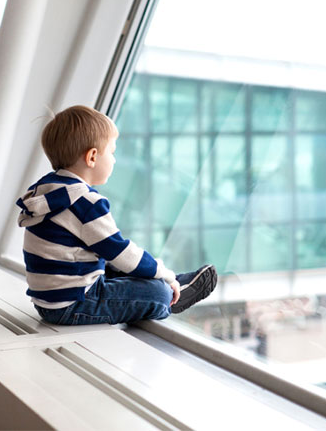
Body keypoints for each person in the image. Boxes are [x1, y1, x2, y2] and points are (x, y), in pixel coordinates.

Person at [16, 105, 217, 325]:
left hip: (48, 301)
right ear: (92, 157)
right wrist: (163, 274)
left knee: (111, 265)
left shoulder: (49, 191)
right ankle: (171, 294)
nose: (114, 160)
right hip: (74, 304)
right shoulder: (84, 202)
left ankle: (169, 280)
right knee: (156, 293)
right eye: (112, 152)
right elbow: (121, 252)